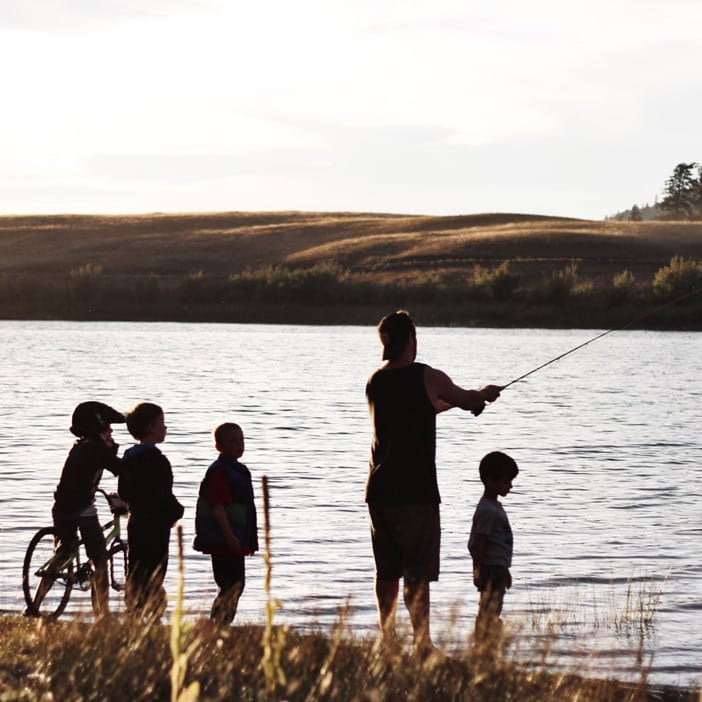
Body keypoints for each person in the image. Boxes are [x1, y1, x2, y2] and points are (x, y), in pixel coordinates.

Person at [365, 309, 502, 654]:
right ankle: (422, 643)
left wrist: (459, 403)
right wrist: (482, 395)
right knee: (417, 572)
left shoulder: (375, 381)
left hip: (378, 490)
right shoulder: (427, 375)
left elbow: (426, 407)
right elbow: (468, 399)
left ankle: (387, 638)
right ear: (411, 339)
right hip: (415, 491)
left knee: (386, 571)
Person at [50, 401, 125, 617]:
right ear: (97, 427)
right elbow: (120, 469)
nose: (111, 430)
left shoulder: (80, 447)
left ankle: (34, 605)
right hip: (82, 510)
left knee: (62, 555)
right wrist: (115, 450)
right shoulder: (97, 449)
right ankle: (103, 614)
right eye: (108, 426)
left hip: (61, 507)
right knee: (100, 560)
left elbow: (83, 477)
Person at [118, 402, 183, 620]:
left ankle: (134, 609)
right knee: (156, 568)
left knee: (136, 567)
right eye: (161, 423)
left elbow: (124, 492)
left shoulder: (128, 459)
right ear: (149, 428)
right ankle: (153, 612)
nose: (165, 428)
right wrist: (177, 511)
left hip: (136, 521)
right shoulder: (158, 461)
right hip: (156, 525)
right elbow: (164, 494)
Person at [193, 422, 258, 625]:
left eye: (241, 440)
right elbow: (217, 506)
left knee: (236, 584)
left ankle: (220, 624)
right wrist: (230, 537)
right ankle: (218, 624)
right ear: (218, 447)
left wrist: (248, 540)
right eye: (232, 442)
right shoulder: (220, 471)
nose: (238, 445)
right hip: (223, 539)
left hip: (236, 537)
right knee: (231, 584)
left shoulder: (239, 470)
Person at [467, 451, 519, 642]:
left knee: (493, 607)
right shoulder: (488, 511)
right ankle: (484, 644)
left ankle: (488, 644)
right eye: (506, 481)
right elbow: (479, 544)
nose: (510, 486)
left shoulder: (494, 507)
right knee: (489, 609)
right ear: (490, 480)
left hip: (498, 567)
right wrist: (478, 570)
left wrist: (505, 570)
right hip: (490, 569)